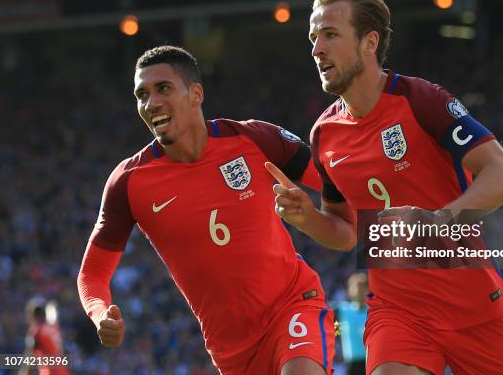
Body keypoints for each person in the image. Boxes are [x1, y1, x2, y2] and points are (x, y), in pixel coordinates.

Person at [266, 0, 503, 375]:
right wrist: (306, 217)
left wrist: (436, 223)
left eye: (330, 34)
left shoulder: (420, 100)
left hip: (475, 308)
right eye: (313, 38)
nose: (316, 49)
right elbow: (347, 232)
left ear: (368, 42)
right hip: (397, 314)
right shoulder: (324, 135)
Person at [76, 45, 335, 374]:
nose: (151, 102)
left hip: (293, 305)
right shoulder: (128, 183)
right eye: (142, 94)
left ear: (195, 94)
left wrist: (405, 246)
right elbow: (92, 273)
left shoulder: (254, 139)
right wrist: (100, 314)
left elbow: (339, 183)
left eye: (163, 89)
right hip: (230, 348)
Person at [22, 298, 69, 375]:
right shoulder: (54, 328)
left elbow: (28, 358)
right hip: (63, 372)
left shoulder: (36, 331)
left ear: (32, 315)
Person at [335, 273, 368, 375]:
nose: (359, 290)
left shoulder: (372, 311)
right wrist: (337, 336)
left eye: (362, 287)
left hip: (370, 361)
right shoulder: (342, 311)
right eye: (356, 287)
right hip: (351, 362)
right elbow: (335, 328)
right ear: (349, 291)